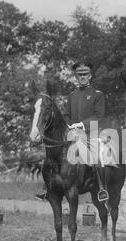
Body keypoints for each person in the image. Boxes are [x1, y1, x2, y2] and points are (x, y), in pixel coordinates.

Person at [35, 61, 106, 201]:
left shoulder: (98, 94)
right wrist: (67, 125)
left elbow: (99, 116)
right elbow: (66, 116)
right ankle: (48, 186)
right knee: (54, 154)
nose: (82, 77)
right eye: (80, 75)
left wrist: (80, 125)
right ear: (76, 76)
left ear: (90, 76)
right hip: (72, 133)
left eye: (85, 74)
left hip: (90, 132)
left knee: (98, 155)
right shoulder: (72, 95)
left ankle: (101, 188)